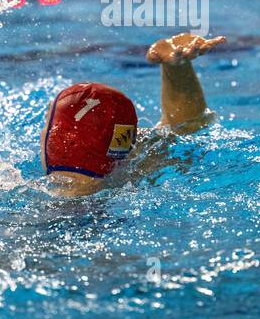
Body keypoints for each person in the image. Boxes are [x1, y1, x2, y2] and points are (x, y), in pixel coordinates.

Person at [42, 32, 225, 196]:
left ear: (57, 140)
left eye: (47, 121)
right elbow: (188, 128)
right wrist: (176, 68)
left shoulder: (40, 203)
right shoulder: (130, 170)